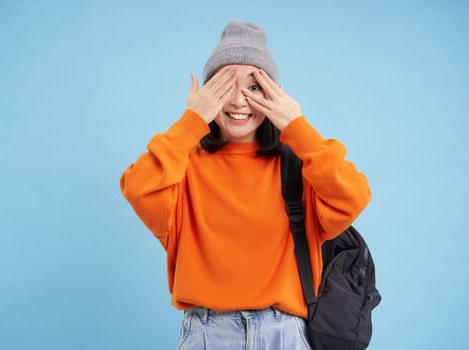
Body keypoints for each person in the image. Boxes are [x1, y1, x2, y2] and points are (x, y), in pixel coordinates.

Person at [120, 20, 371, 350]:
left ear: (274, 95)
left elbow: (353, 195)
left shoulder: (297, 167)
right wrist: (191, 121)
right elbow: (138, 186)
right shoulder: (182, 166)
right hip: (207, 334)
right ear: (207, 94)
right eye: (224, 87)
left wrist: (297, 126)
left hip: (284, 334)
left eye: (254, 87)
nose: (239, 101)